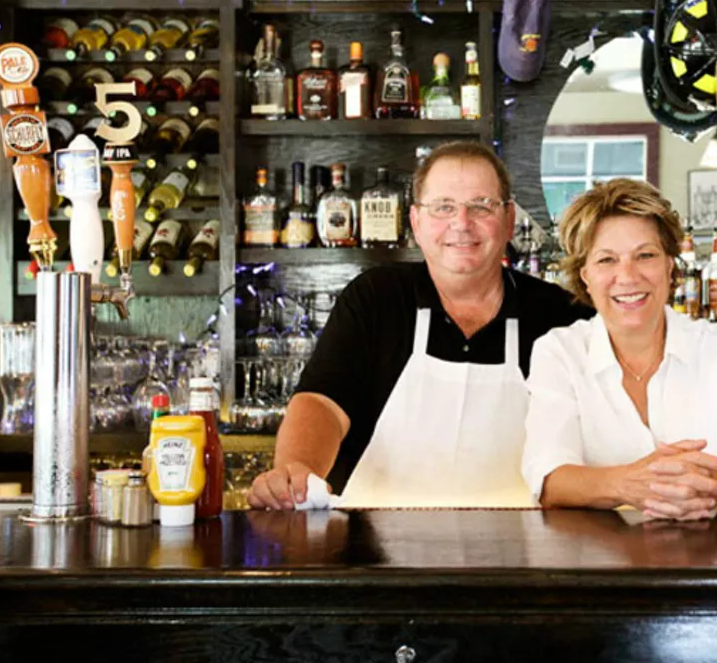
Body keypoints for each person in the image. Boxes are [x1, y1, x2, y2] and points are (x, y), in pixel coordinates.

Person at [248, 142, 593, 510]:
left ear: (509, 220)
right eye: (443, 207)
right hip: (372, 554)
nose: (461, 222)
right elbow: (322, 404)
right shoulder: (376, 298)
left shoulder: (560, 315)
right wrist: (297, 470)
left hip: (519, 556)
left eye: (481, 206)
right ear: (415, 222)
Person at [521, 179, 717, 522]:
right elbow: (549, 480)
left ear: (670, 265)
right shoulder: (559, 352)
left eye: (645, 255)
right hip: (596, 566)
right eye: (606, 260)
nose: (628, 276)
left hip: (712, 565)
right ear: (585, 276)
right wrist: (629, 484)